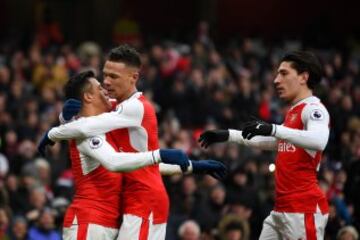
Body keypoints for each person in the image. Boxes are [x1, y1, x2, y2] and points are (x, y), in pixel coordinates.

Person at [38, 46, 226, 240]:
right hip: (94, 218)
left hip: (139, 203)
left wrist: (56, 129)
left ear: (133, 77)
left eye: (114, 77)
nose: (107, 84)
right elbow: (117, 160)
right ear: (88, 97)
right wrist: (62, 123)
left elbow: (137, 164)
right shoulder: (96, 127)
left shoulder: (130, 110)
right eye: (105, 77)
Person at [199, 51, 330, 239]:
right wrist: (229, 134)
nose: (276, 80)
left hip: (303, 209)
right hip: (281, 209)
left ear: (304, 77)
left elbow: (319, 141)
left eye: (284, 73)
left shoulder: (314, 109)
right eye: (277, 74)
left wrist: (274, 129)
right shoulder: (294, 112)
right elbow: (275, 142)